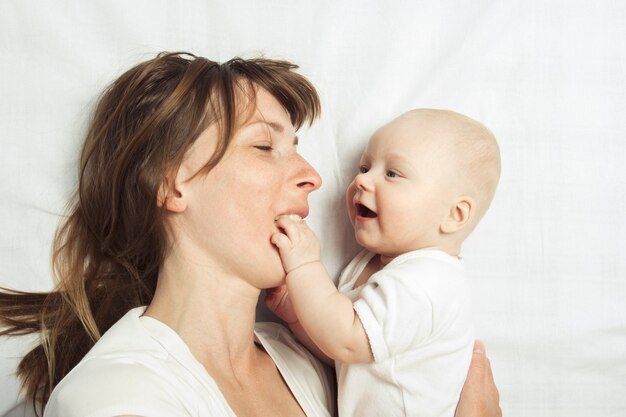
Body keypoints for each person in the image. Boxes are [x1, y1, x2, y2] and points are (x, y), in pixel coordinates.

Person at [0, 53, 501, 417]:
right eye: (265, 146)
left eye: (299, 148)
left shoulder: (302, 362)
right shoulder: (117, 398)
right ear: (173, 183)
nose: (314, 176)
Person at [268, 108, 501, 417]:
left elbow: (347, 340)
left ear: (454, 215)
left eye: (393, 173)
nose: (362, 180)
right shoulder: (368, 265)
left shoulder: (429, 281)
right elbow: (346, 358)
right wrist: (298, 316)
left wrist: (305, 265)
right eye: (364, 167)